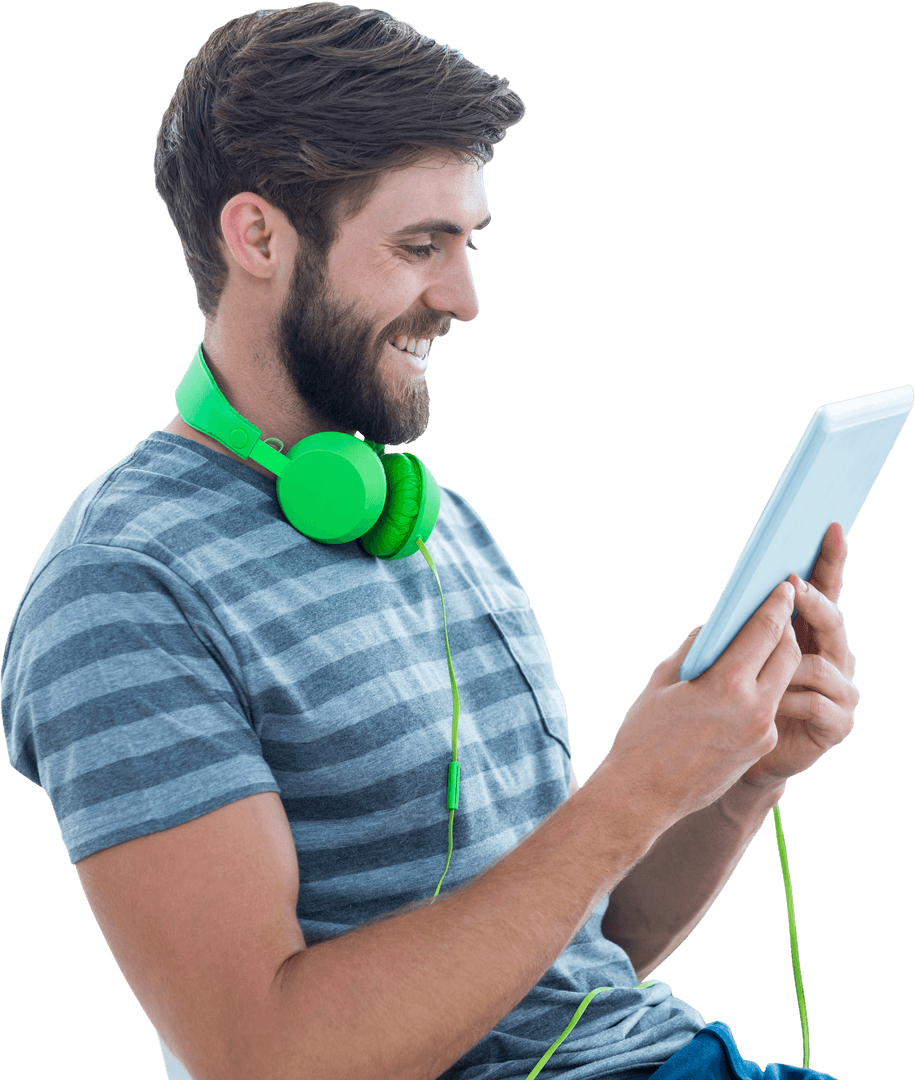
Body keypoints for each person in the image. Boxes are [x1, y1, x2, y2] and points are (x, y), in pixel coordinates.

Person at [0, 5, 859, 1079]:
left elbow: (568, 960)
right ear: (258, 237)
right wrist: (630, 791)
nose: (463, 298)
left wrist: (731, 778)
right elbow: (261, 1059)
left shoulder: (430, 519)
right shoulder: (122, 589)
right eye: (419, 247)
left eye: (467, 244)